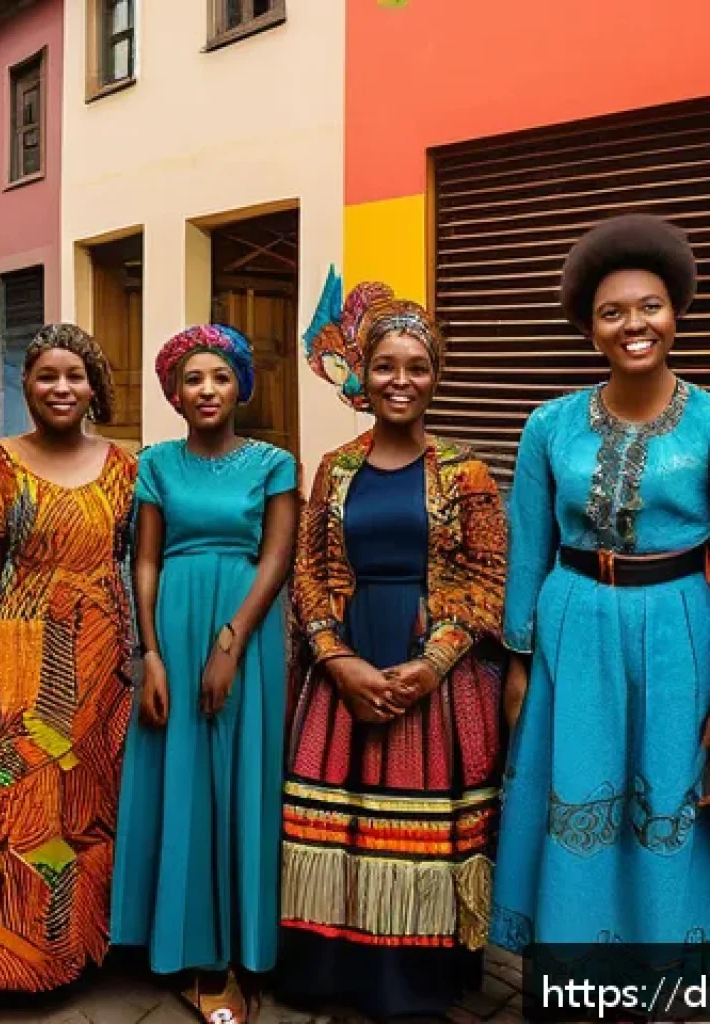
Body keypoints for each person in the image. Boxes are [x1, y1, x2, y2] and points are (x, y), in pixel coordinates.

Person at [278, 272, 507, 1020]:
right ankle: (328, 972)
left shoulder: (466, 470)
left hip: (433, 673)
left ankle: (411, 983)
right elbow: (307, 569)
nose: (400, 380)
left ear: (435, 378)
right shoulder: (334, 468)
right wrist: (336, 659)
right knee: (337, 820)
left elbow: (487, 575)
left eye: (417, 367)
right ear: (363, 376)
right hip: (344, 660)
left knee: (419, 824)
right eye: (385, 366)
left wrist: (431, 663)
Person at [492, 214, 710, 953]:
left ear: (676, 312)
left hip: (682, 631)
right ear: (591, 330)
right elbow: (529, 547)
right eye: (611, 313)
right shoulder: (549, 426)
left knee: (667, 793)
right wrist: (518, 662)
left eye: (649, 306)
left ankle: (663, 978)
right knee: (576, 793)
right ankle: (576, 978)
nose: (634, 324)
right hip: (573, 629)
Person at [0, 324, 137, 1007]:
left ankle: (79, 945)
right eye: (47, 375)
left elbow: (137, 566)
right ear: (24, 384)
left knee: (89, 810)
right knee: (11, 798)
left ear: (93, 388)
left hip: (102, 666)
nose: (61, 388)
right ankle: (8, 959)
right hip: (23, 660)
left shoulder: (125, 468)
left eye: (74, 376)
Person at [111, 324, 299, 1024]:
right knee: (181, 781)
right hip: (175, 628)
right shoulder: (155, 464)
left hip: (244, 627)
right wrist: (151, 652)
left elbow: (277, 557)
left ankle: (248, 948)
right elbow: (146, 561)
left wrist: (232, 639)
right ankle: (193, 955)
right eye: (193, 380)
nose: (208, 390)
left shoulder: (273, 462)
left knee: (242, 782)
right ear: (174, 394)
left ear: (241, 385)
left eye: (220, 377)